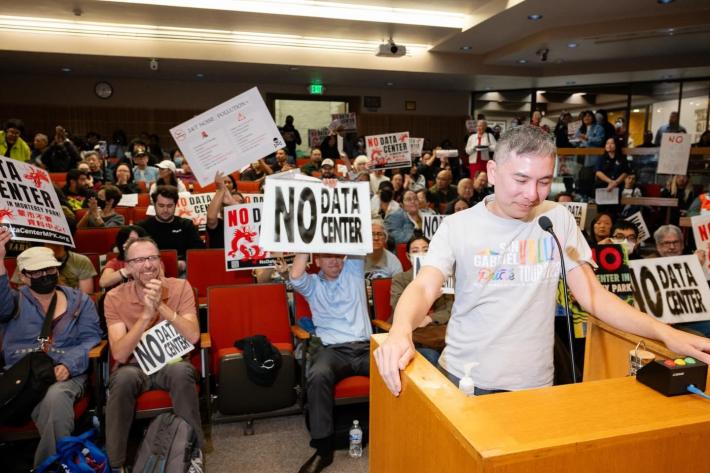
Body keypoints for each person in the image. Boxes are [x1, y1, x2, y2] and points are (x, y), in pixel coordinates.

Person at [373, 125, 710, 398]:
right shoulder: (458, 226)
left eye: (544, 181)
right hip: (467, 381)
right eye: (520, 180)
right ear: (491, 171)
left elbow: (593, 296)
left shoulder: (557, 219)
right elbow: (424, 286)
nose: (532, 194)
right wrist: (401, 330)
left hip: (536, 385)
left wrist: (665, 333)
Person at [0, 237, 102, 468]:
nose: (45, 275)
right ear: (24, 276)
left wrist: (68, 364)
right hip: (23, 375)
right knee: (45, 402)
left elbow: (91, 338)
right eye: (37, 272)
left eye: (50, 269)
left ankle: (49, 466)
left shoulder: (79, 301)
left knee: (54, 399)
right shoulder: (15, 301)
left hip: (65, 373)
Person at [104, 237, 203, 472]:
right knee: (122, 379)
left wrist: (160, 306)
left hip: (172, 362)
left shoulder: (180, 287)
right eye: (139, 260)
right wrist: (146, 316)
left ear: (159, 261)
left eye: (152, 258)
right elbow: (119, 353)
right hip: (134, 366)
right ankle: (117, 464)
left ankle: (192, 456)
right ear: (127, 267)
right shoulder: (114, 297)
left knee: (181, 373)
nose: (147, 265)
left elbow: (193, 336)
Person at [289, 248, 370, 473]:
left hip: (365, 346)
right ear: (316, 260)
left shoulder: (353, 270)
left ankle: (400, 432)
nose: (333, 260)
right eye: (326, 256)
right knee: (317, 374)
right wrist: (307, 241)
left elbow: (357, 242)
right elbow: (295, 275)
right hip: (333, 350)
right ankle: (323, 450)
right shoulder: (312, 285)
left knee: (397, 368)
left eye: (337, 255)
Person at [389, 235, 452, 365]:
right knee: (431, 357)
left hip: (442, 333)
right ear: (408, 256)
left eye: (425, 250)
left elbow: (451, 308)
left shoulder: (443, 278)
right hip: (415, 336)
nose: (421, 254)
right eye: (415, 251)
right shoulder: (400, 279)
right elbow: (397, 306)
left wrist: (429, 319)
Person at [137, 185, 205, 274]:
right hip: (149, 270)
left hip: (181, 271)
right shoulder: (142, 227)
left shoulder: (186, 225)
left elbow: (197, 250)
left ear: (175, 205)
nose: (165, 210)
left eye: (169, 206)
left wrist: (184, 263)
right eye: (161, 205)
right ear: (154, 205)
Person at [99, 225, 149, 289]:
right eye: (131, 241)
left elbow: (161, 281)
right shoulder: (114, 263)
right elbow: (103, 282)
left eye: (138, 241)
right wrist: (127, 270)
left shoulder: (152, 259)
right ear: (123, 244)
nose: (135, 244)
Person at [206, 171, 242, 249]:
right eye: (227, 204)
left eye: (239, 202)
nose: (232, 206)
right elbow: (211, 218)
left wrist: (231, 201)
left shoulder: (250, 226)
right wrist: (220, 190)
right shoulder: (219, 225)